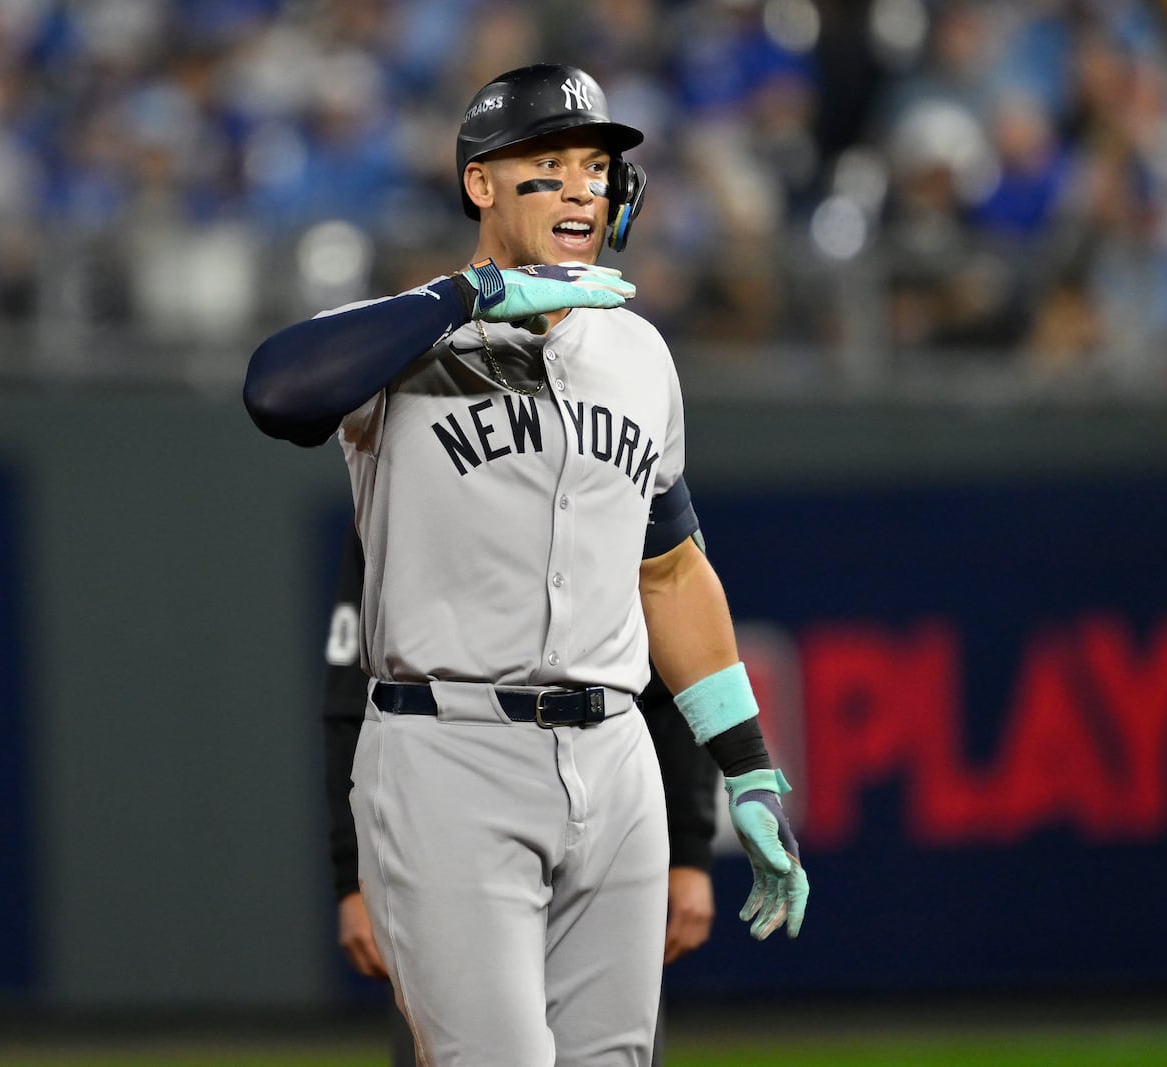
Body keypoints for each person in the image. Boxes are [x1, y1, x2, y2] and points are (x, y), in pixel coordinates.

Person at [244, 63, 809, 1066]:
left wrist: (749, 761)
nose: (582, 187)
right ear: (482, 187)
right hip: (449, 752)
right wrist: (470, 294)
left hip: (614, 756)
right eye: (547, 164)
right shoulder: (405, 338)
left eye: (595, 166)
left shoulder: (637, 353)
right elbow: (276, 388)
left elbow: (671, 572)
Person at [322, 532, 721, 1066]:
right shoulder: (410, 480)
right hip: (446, 794)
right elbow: (354, 691)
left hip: (604, 787)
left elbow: (673, 666)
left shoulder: (604, 466)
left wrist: (690, 850)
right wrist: (352, 873)